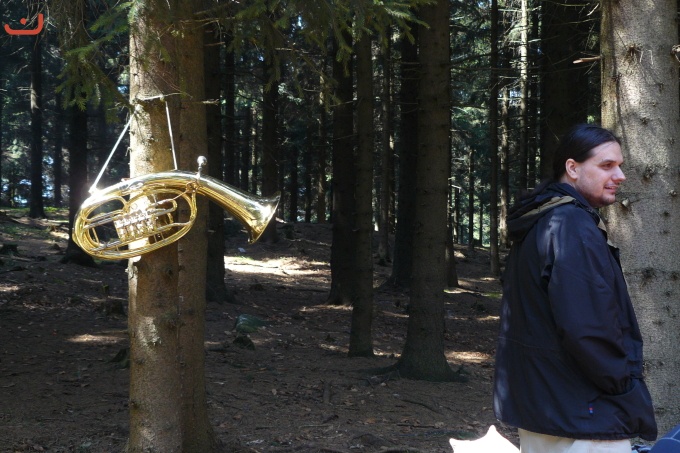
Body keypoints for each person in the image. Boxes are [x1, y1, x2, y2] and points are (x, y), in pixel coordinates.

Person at [493, 124, 657, 453]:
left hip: (546, 410)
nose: (620, 175)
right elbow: (588, 327)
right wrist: (624, 390)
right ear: (573, 168)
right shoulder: (571, 226)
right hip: (585, 416)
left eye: (620, 165)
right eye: (607, 165)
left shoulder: (543, 221)